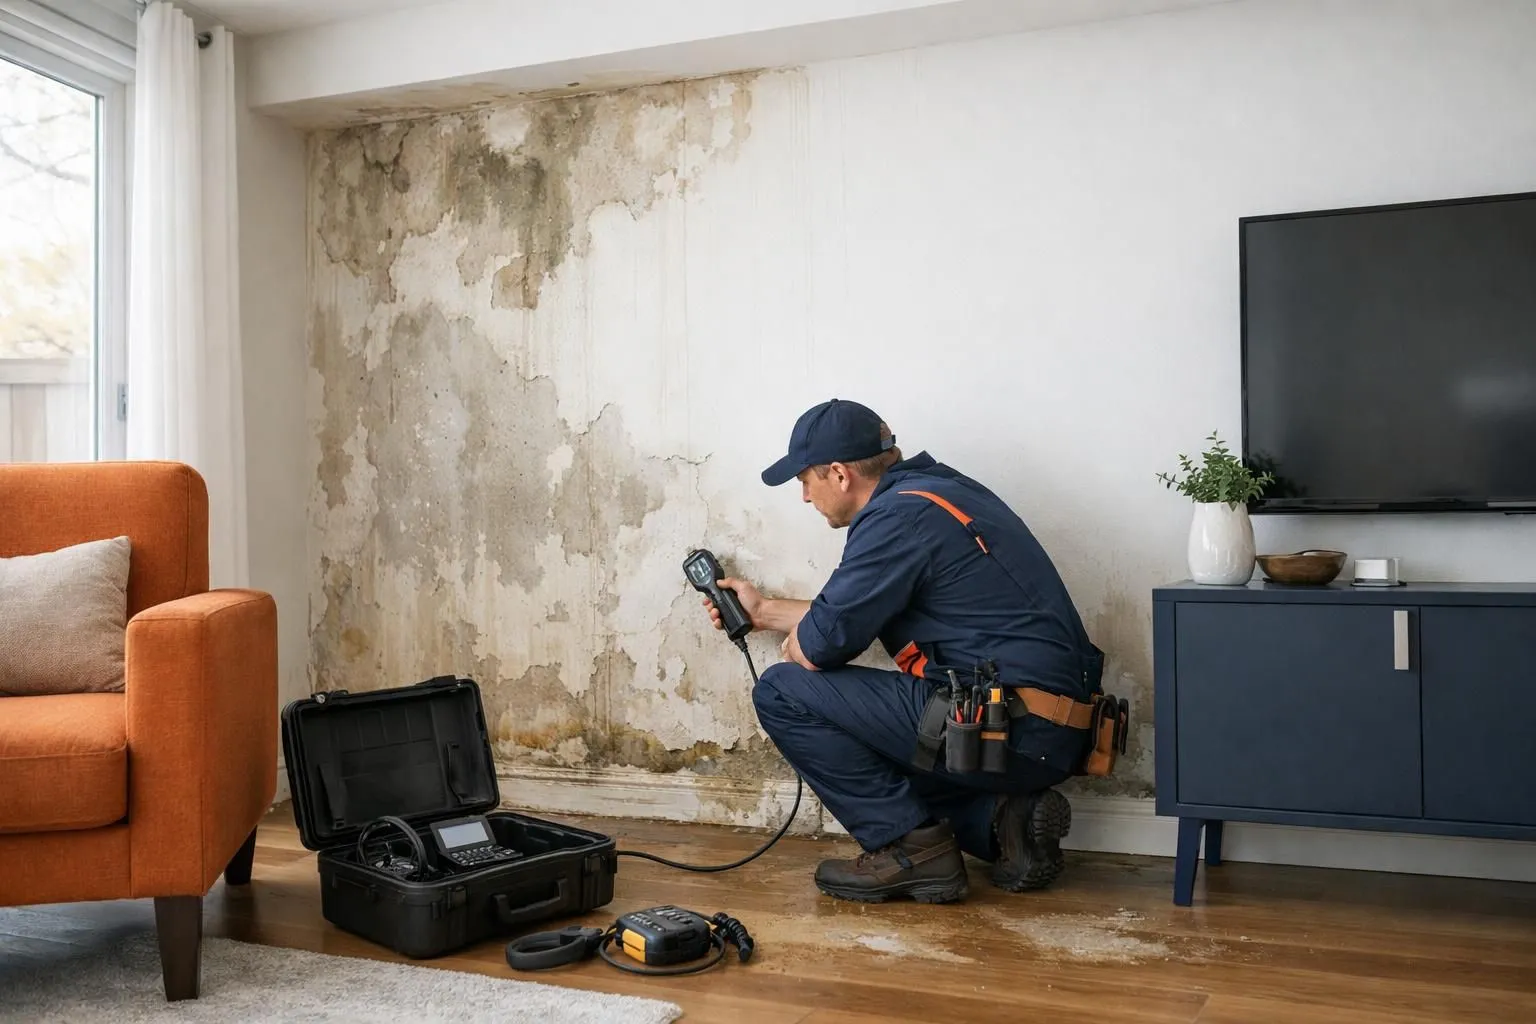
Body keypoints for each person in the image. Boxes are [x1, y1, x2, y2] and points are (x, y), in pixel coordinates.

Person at [701, 399, 1104, 903]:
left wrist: (800, 642)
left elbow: (823, 644)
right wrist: (762, 611)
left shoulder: (895, 520)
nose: (804, 496)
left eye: (806, 480)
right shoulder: (937, 492)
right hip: (1048, 731)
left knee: (785, 692)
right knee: (884, 717)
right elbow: (848, 613)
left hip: (1012, 729)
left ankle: (913, 850)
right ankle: (1002, 822)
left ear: (840, 474)